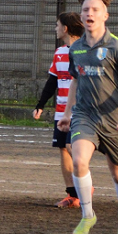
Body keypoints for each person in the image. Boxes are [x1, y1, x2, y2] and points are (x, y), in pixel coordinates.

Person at [57, 0, 118, 234]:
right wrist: (67, 112)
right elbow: (75, 80)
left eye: (95, 10)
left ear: (105, 15)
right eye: (85, 10)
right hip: (86, 115)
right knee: (79, 161)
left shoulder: (117, 47)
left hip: (116, 119)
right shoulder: (77, 49)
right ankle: (87, 216)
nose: (89, 13)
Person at [34, 12, 85, 208]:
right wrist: (40, 105)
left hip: (81, 111)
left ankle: (85, 184)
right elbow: (52, 80)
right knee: (64, 149)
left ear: (65, 28)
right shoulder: (59, 52)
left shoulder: (86, 51)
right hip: (61, 111)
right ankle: (72, 195)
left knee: (74, 148)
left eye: (57, 25)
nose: (55, 28)